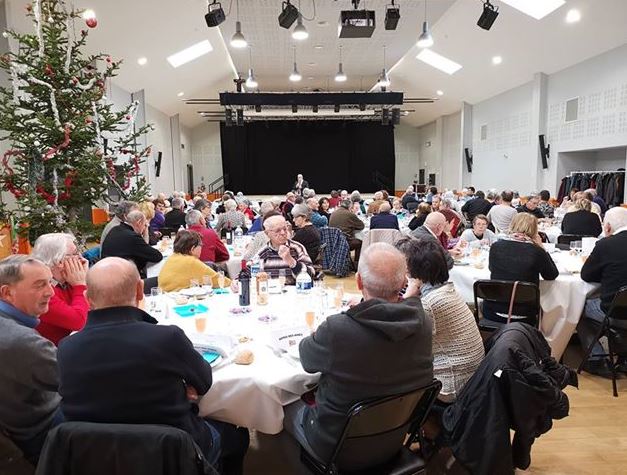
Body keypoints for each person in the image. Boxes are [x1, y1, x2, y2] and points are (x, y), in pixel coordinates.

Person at [57, 257, 249, 473]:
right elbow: (204, 383)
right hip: (172, 455)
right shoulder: (167, 338)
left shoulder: (66, 349)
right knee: (237, 435)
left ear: (87, 298)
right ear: (140, 291)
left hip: (97, 457)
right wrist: (180, 388)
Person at [283, 243, 433, 463]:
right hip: (393, 436)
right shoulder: (423, 321)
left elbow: (306, 359)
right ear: (403, 283)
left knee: (285, 403)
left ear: (359, 281)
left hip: (337, 445)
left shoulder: (338, 329)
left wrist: (322, 332)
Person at [397, 237, 483, 402]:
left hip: (451, 383)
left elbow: (401, 337)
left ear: (416, 272)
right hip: (471, 374)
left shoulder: (430, 303)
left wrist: (407, 296)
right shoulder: (446, 290)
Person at [0, 255, 60, 464]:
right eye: (39, 285)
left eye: (50, 282)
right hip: (39, 434)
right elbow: (77, 379)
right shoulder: (19, 340)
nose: (51, 292)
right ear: (7, 292)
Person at [483, 213, 559, 325]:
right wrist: (542, 248)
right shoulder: (537, 252)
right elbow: (551, 275)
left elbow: (492, 268)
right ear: (534, 230)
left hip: (494, 310)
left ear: (513, 225)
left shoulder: (496, 247)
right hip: (525, 312)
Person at [577, 207, 627, 375]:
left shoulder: (606, 244)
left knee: (579, 310)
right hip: (622, 305)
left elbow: (586, 275)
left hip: (615, 312)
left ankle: (596, 359)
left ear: (607, 227)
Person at [32, 233, 89, 346]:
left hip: (70, 346)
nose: (81, 258)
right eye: (74, 254)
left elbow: (95, 308)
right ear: (59, 262)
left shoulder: (66, 282)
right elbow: (78, 321)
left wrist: (85, 280)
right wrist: (80, 285)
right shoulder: (42, 289)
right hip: (50, 356)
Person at [158, 230, 231, 292]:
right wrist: (233, 283)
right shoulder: (190, 262)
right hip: (177, 299)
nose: (202, 248)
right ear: (193, 248)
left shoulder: (172, 257)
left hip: (165, 296)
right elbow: (220, 281)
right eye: (201, 245)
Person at [101, 210, 163, 278]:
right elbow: (157, 256)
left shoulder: (115, 229)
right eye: (145, 225)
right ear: (139, 223)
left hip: (107, 272)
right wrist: (145, 231)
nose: (145, 227)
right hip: (122, 277)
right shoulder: (132, 237)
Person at [255, 215, 315, 284]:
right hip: (272, 292)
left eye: (285, 229)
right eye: (278, 230)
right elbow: (250, 273)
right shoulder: (263, 253)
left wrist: (292, 262)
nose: (283, 233)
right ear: (267, 233)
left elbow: (311, 275)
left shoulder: (297, 248)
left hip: (296, 292)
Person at [328, 199, 365, 266]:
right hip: (344, 241)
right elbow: (361, 226)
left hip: (332, 241)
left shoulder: (334, 213)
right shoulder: (349, 214)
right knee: (360, 243)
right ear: (350, 207)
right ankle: (357, 263)